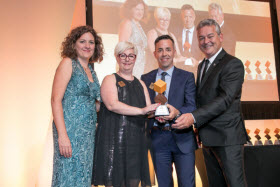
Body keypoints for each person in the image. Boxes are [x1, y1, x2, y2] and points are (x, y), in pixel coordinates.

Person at [173, 19, 248, 187]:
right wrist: (198, 128)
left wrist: (193, 117)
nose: (206, 41)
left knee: (235, 184)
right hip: (208, 138)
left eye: (210, 36)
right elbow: (202, 100)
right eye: (201, 38)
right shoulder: (202, 66)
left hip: (227, 138)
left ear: (220, 37)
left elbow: (225, 99)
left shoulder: (233, 64)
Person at [92, 41, 159, 187]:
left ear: (135, 58)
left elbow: (148, 111)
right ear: (117, 57)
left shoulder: (141, 83)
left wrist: (160, 111)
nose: (127, 59)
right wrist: (141, 111)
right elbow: (112, 105)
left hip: (136, 144)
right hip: (114, 143)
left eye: (131, 56)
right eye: (123, 55)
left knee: (133, 183)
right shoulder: (110, 79)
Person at [141, 35, 197, 187]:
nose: (164, 53)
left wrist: (176, 112)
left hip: (183, 138)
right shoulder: (145, 78)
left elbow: (192, 105)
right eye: (160, 50)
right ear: (155, 54)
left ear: (173, 52)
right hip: (158, 139)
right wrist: (152, 115)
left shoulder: (187, 77)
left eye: (168, 49)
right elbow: (144, 107)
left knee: (187, 184)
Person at [51, 26, 104, 187]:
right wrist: (63, 135)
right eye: (82, 41)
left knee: (83, 176)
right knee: (67, 174)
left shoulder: (91, 71)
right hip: (69, 131)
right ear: (73, 44)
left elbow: (94, 105)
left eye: (91, 42)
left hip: (88, 134)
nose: (87, 45)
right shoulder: (68, 63)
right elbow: (55, 100)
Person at [145, 7, 185, 73]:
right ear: (157, 19)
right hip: (155, 70)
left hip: (169, 70)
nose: (164, 22)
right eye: (162, 20)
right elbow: (156, 56)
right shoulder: (152, 33)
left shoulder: (172, 35)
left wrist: (186, 59)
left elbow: (178, 54)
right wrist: (175, 60)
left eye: (167, 20)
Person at [118, 0, 148, 79]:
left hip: (140, 67)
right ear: (130, 9)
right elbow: (121, 49)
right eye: (137, 9)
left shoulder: (139, 24)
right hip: (130, 68)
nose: (140, 12)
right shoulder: (127, 23)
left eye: (142, 10)